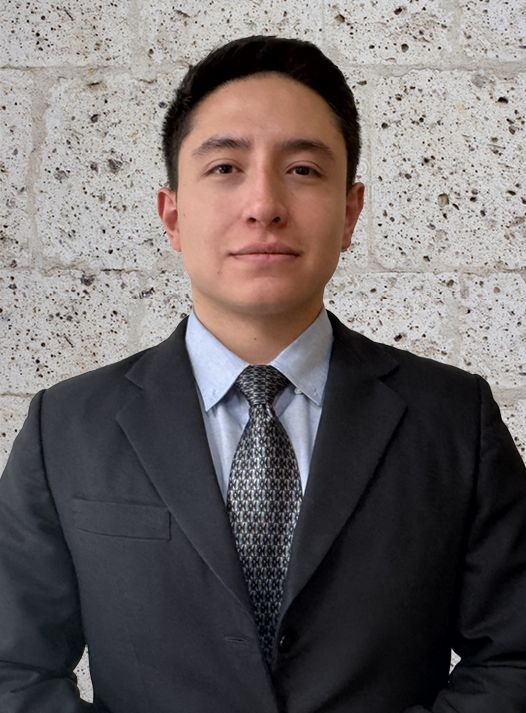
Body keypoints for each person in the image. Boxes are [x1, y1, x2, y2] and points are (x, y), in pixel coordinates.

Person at [0, 35, 525, 713]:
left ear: (350, 212)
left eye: (303, 169)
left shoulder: (453, 417)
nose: (264, 204)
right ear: (172, 215)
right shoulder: (67, 427)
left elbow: (513, 655)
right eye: (225, 167)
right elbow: (13, 668)